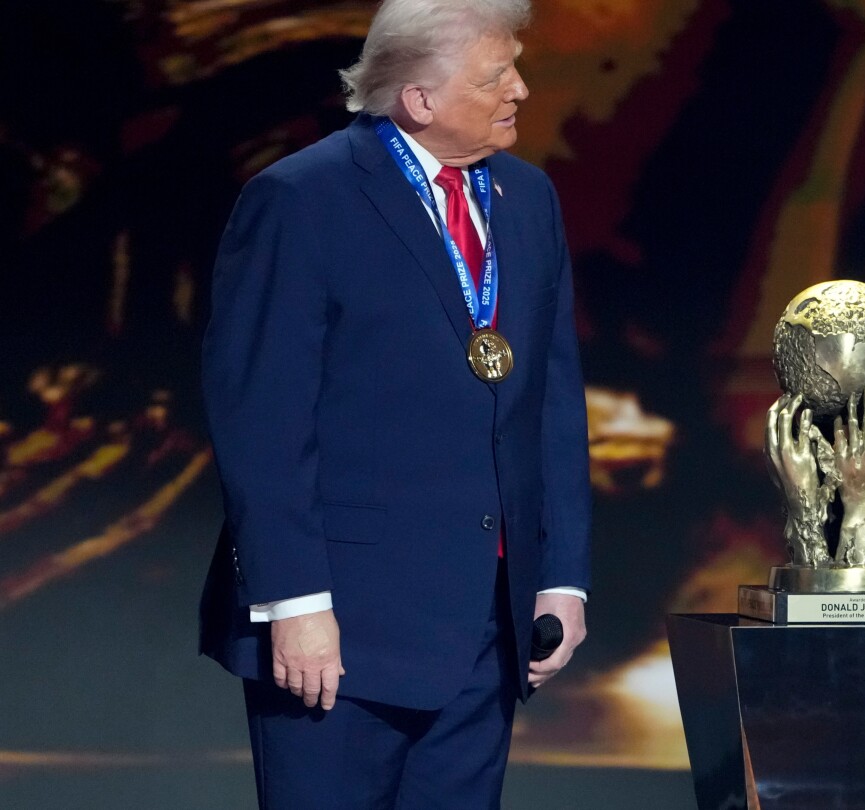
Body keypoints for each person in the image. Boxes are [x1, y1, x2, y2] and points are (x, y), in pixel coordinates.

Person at [198, 0, 590, 806]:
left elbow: (551, 401)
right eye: (495, 76)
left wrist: (561, 577)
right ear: (418, 98)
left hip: (487, 628)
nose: (519, 89)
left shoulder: (527, 198)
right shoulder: (302, 199)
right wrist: (296, 603)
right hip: (339, 630)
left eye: (516, 69)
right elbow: (263, 422)